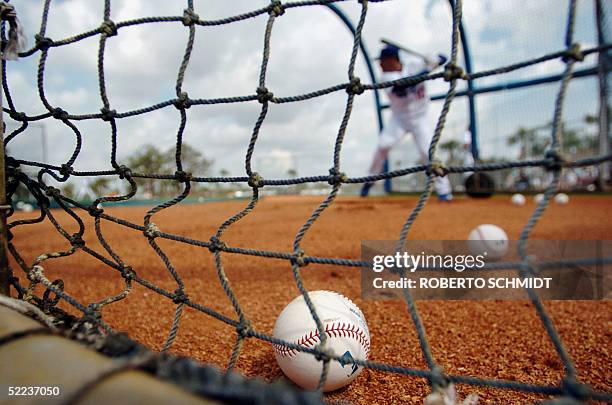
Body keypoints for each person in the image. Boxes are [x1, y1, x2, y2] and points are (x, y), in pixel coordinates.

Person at [361, 45, 453, 201]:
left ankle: (444, 191)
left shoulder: (414, 64)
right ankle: (370, 180)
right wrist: (428, 69)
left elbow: (445, 58)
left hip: (420, 118)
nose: (380, 65)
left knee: (429, 153)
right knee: (383, 146)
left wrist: (435, 60)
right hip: (399, 119)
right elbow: (403, 85)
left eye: (382, 61)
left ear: (392, 60)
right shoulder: (385, 78)